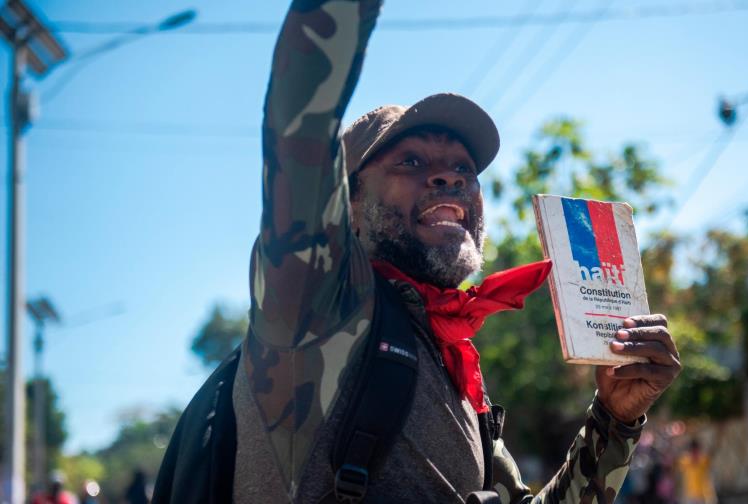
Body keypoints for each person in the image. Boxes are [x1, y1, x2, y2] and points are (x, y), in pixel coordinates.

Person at [153, 1, 681, 503]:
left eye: (464, 168)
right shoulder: (315, 306)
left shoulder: (452, 358)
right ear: (347, 204)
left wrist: (614, 420)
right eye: (409, 162)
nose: (449, 176)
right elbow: (300, 123)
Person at [676, 439, 716, 504]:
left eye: (696, 451)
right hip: (689, 495)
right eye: (693, 451)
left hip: (703, 495)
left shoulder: (704, 460)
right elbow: (679, 465)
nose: (694, 453)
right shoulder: (685, 461)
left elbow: (709, 456)